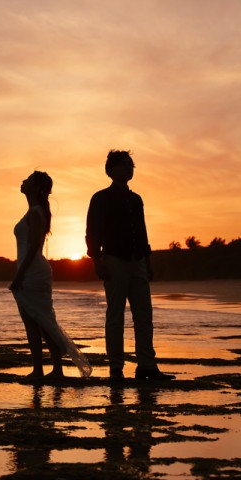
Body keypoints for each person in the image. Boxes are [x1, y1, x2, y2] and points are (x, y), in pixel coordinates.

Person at [85, 150, 172, 381]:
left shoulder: (136, 199)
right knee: (115, 316)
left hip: (137, 260)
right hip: (114, 260)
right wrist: (97, 260)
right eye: (124, 164)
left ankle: (147, 365)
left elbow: (142, 233)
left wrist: (147, 262)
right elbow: (93, 233)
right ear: (111, 170)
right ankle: (116, 368)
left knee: (144, 316)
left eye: (131, 164)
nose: (129, 168)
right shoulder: (100, 198)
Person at [9, 170, 91, 382]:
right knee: (41, 321)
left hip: (33, 272)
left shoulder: (36, 212)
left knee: (37, 321)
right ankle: (52, 369)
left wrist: (20, 275)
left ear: (36, 188)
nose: (23, 181)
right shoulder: (34, 211)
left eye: (27, 180)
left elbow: (35, 246)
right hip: (32, 271)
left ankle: (43, 370)